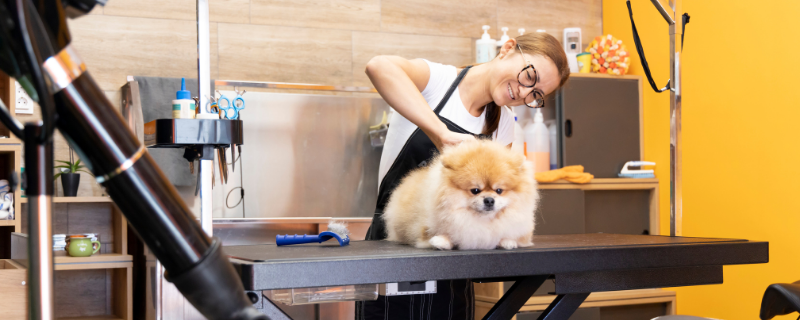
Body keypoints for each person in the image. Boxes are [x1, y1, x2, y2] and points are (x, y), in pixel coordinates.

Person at [357, 32, 570, 320]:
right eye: (529, 76)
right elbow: (378, 66)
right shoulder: (438, 82)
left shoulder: (503, 124)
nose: (523, 92)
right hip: (395, 247)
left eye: (535, 94)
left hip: (454, 264)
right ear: (507, 49)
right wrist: (440, 134)